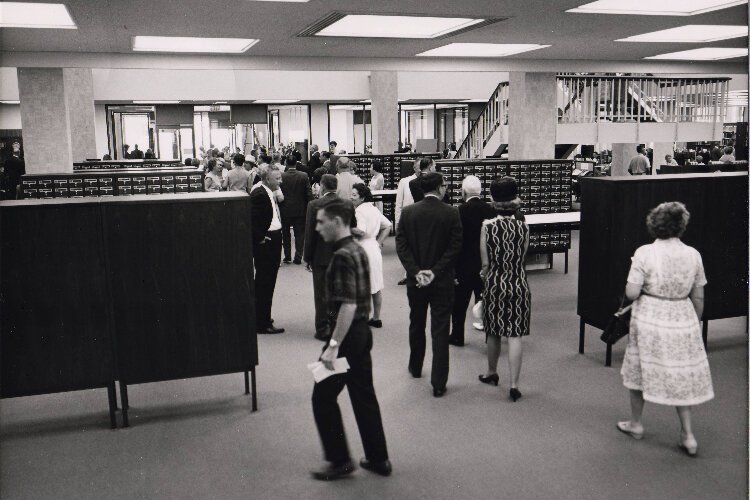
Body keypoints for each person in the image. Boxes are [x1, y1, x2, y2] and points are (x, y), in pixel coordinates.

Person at [616, 202, 713, 457]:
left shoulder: (645, 252)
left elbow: (632, 292)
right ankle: (688, 435)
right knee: (679, 374)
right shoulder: (693, 254)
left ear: (654, 224)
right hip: (682, 315)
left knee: (639, 369)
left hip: (650, 315)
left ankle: (636, 424)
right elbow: (699, 296)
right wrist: (695, 321)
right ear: (682, 226)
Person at [310, 199, 391, 481]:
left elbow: (347, 306)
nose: (317, 227)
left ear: (338, 222)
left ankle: (339, 460)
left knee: (322, 397)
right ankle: (379, 458)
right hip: (360, 335)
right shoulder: (356, 248)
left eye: (322, 221)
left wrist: (332, 347)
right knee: (363, 396)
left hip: (344, 339)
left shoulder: (343, 255)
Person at [396, 172, 462, 398]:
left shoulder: (408, 213)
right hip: (442, 281)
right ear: (440, 188)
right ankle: (438, 382)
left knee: (416, 322)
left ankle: (415, 367)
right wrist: (435, 272)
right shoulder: (451, 213)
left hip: (416, 282)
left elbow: (401, 245)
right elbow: (455, 247)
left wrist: (416, 272)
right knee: (440, 329)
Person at [478, 177, 530, 402]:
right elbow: (522, 258)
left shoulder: (487, 227)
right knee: (515, 334)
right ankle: (515, 384)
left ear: (493, 200)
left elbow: (486, 264)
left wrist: (484, 274)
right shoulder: (524, 227)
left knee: (494, 331)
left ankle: (492, 372)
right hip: (519, 283)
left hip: (495, 284)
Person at [448, 176, 496, 347]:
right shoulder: (491, 210)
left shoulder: (457, 211)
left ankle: (457, 336)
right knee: (485, 300)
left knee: (459, 304)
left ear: (463, 192)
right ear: (481, 191)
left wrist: (452, 268)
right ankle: (489, 337)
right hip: (486, 266)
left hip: (463, 266)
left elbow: (453, 243)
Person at [303, 175, 349, 341]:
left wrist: (307, 257)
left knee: (321, 293)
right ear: (336, 186)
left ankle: (323, 329)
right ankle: (338, 326)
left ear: (322, 186)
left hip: (321, 257)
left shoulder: (314, 205)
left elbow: (310, 234)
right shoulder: (347, 204)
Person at [250, 165, 285, 334]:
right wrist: (260, 238)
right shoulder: (259, 194)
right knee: (265, 283)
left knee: (268, 282)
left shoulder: (267, 192)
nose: (281, 181)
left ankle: (263, 317)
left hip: (273, 239)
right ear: (267, 179)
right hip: (267, 243)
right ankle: (262, 323)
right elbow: (252, 219)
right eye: (277, 178)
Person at [351, 183, 392, 329]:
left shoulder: (359, 212)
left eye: (354, 195)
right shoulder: (373, 209)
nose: (351, 197)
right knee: (375, 284)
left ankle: (362, 317)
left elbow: (360, 231)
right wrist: (379, 242)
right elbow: (388, 225)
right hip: (373, 247)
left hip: (363, 248)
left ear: (362, 197)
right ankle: (376, 318)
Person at [280, 155, 313, 264]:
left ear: (286, 163)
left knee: (286, 234)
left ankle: (287, 255)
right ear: (296, 163)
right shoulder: (303, 176)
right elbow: (308, 193)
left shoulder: (282, 176)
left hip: (285, 209)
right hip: (300, 209)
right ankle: (298, 256)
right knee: (299, 234)